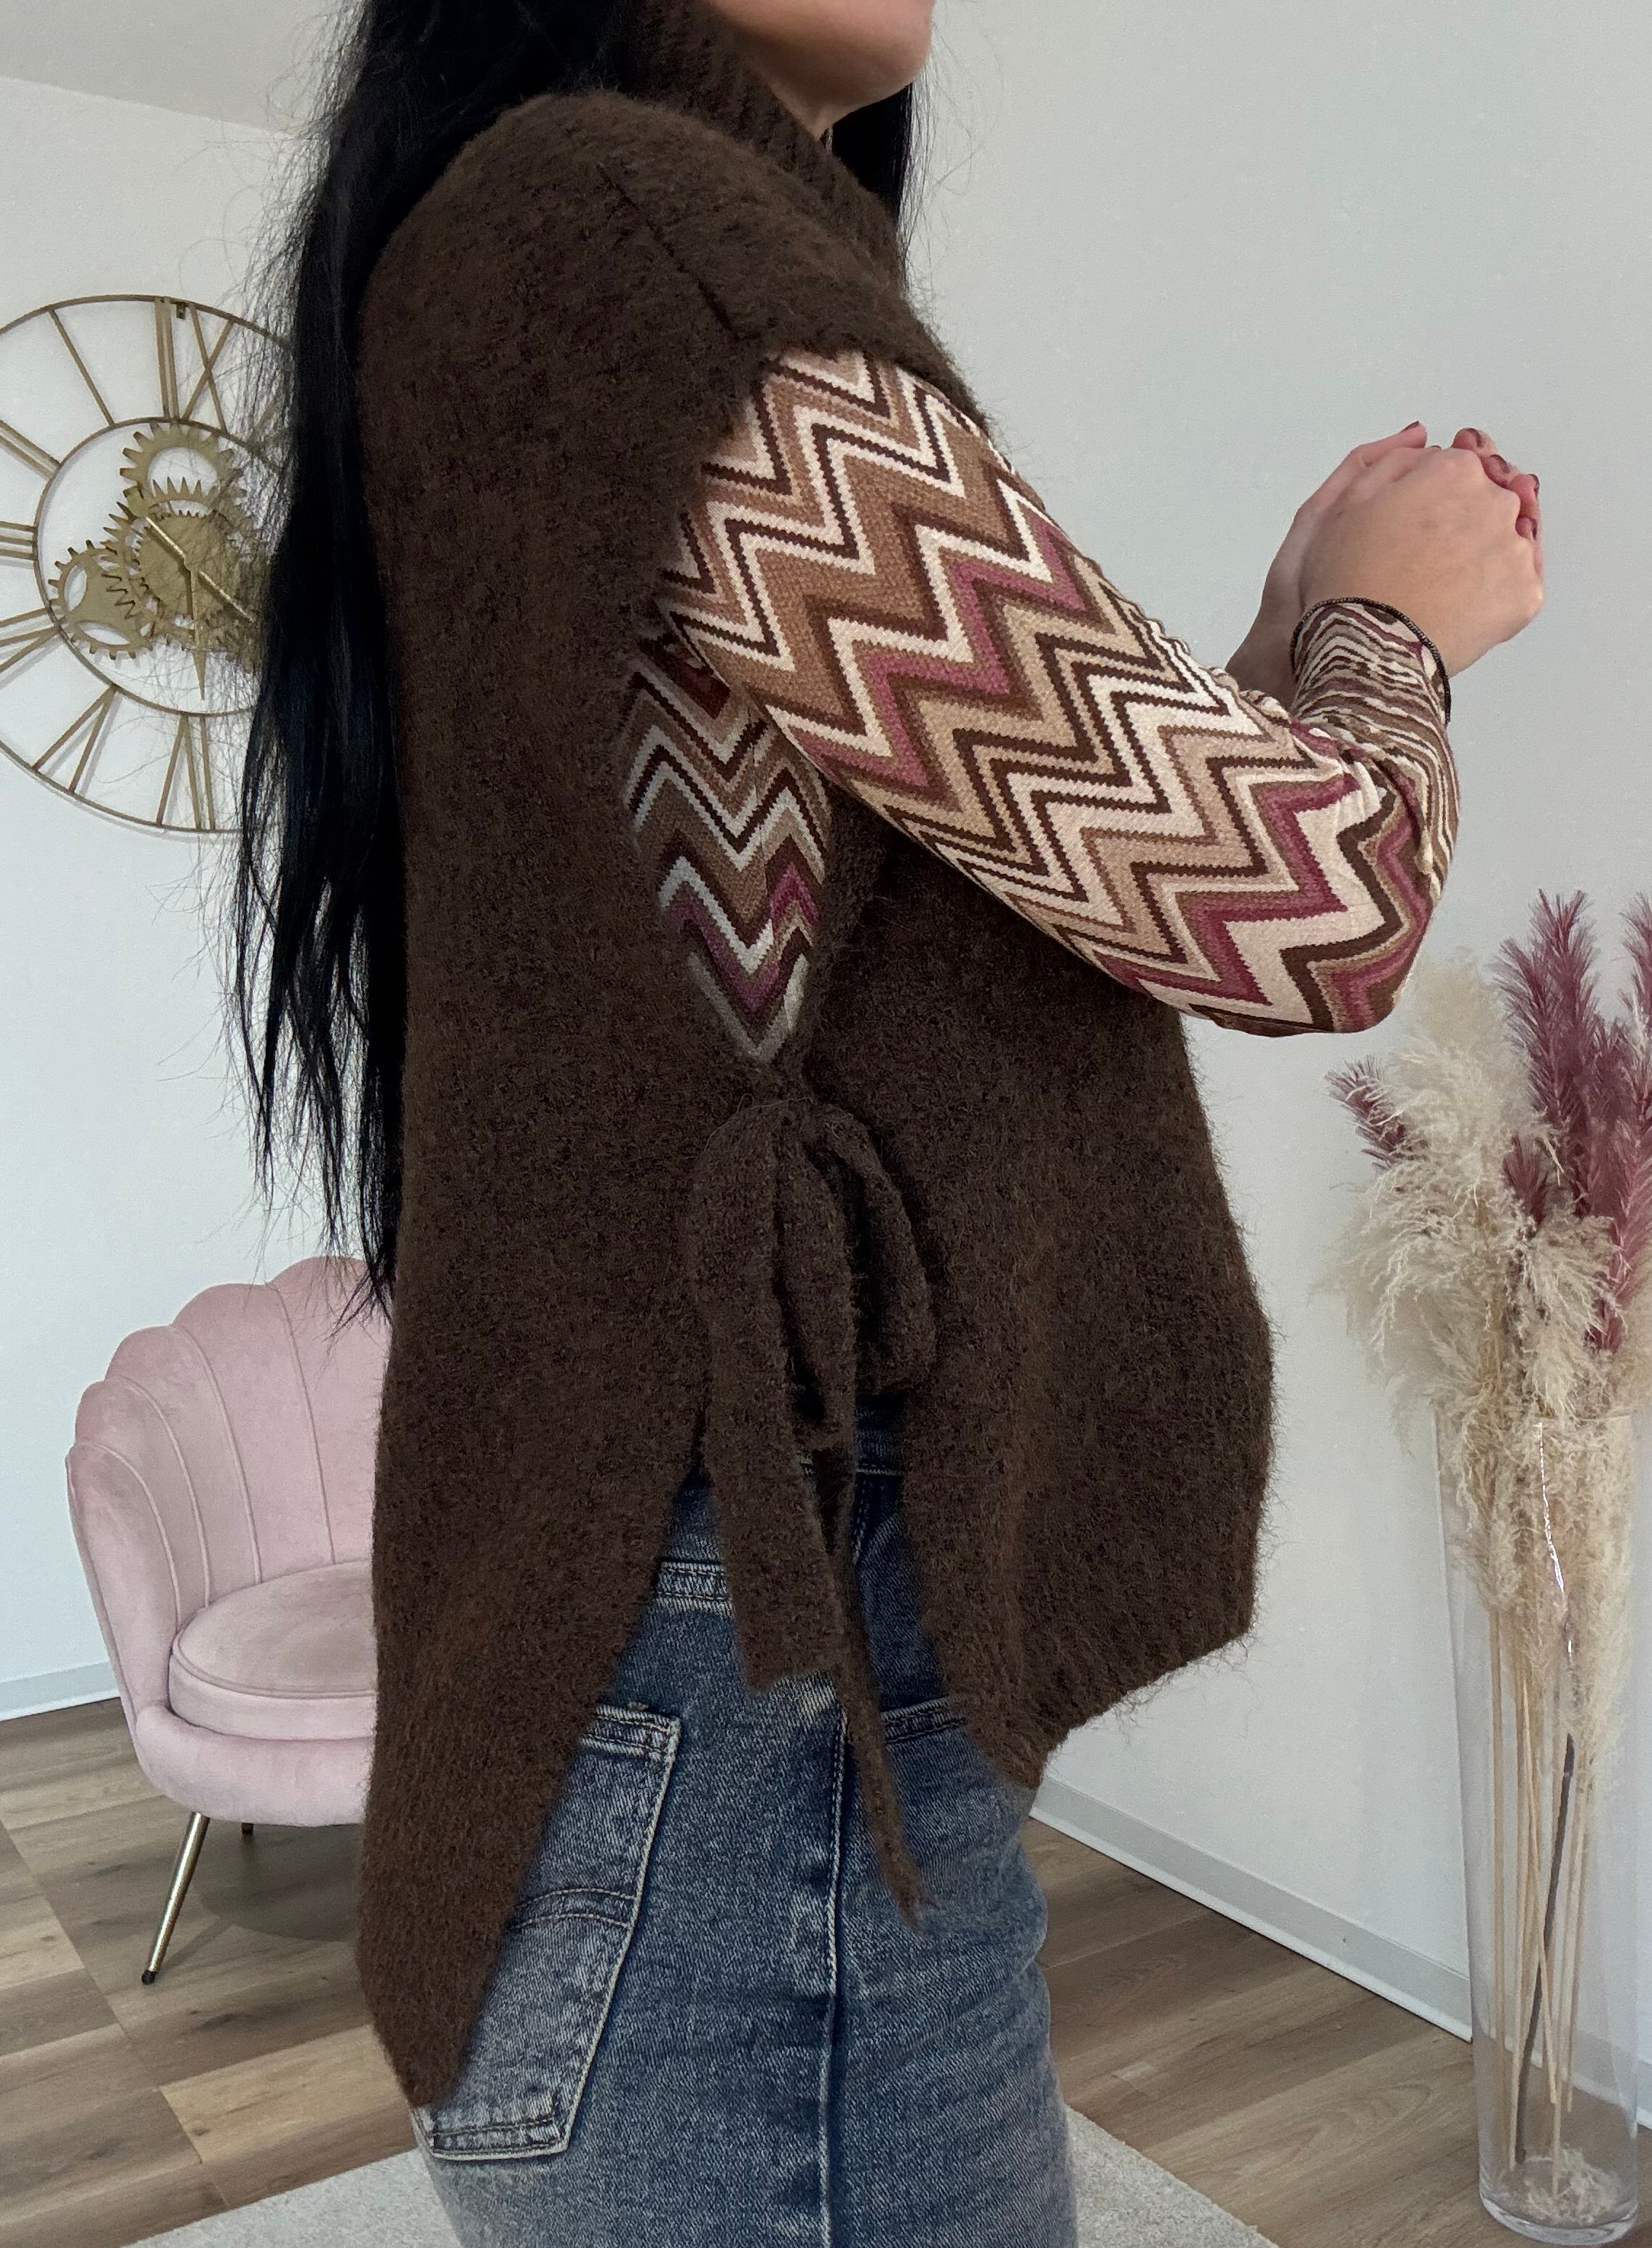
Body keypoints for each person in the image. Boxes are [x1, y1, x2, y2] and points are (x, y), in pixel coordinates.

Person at [232, 0, 1544, 2240]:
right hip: (754, 1705)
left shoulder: (572, 245)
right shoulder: (633, 224)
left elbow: (897, 916)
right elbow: (1302, 902)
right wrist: (1388, 632)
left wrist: (1267, 653)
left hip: (716, 1685)